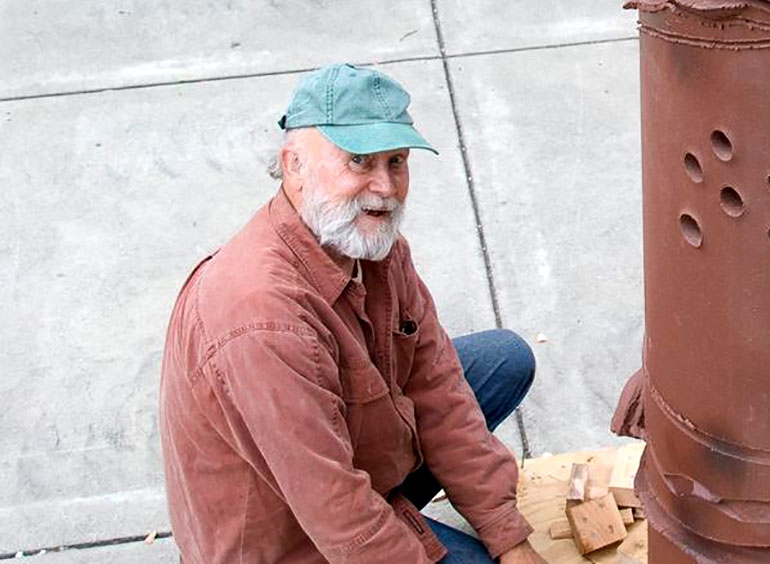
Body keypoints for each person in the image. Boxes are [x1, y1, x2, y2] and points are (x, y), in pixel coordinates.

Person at [159, 63, 546, 563]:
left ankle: (395, 497)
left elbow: (436, 385)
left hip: (347, 451)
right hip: (293, 539)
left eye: (397, 161)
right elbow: (334, 507)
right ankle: (396, 510)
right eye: (359, 161)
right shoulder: (261, 319)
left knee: (503, 359)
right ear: (294, 165)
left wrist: (507, 534)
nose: (384, 187)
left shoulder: (374, 246)